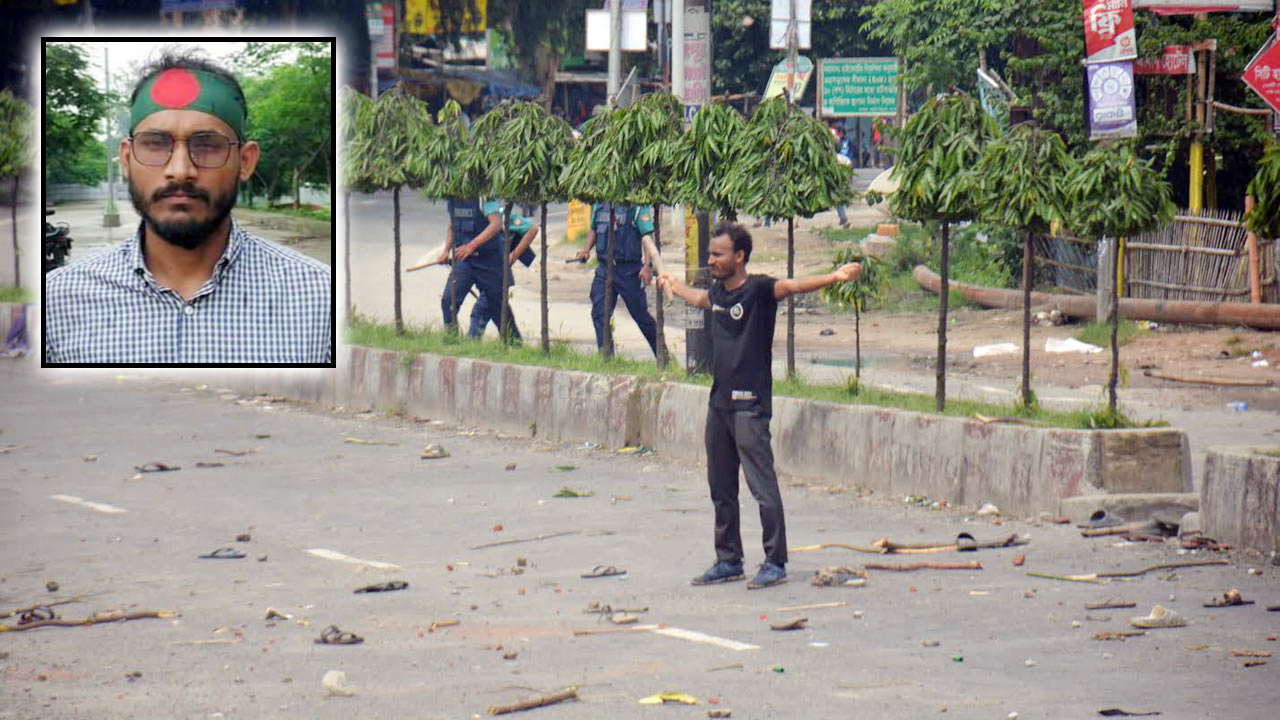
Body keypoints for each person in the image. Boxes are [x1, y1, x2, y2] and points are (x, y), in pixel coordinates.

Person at [43, 50, 332, 364]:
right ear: (126, 159)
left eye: (206, 145)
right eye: (155, 144)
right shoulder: (59, 301)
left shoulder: (319, 298)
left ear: (245, 161)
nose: (180, 170)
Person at [658, 222, 861, 589]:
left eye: (718, 254)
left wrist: (834, 276)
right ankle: (728, 560)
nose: (711, 260)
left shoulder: (761, 290)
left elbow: (793, 286)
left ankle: (775, 562)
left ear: (739, 256)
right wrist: (672, 285)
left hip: (750, 406)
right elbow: (700, 299)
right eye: (710, 254)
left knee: (762, 487)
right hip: (718, 405)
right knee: (721, 487)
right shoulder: (718, 293)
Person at [575, 203, 658, 357]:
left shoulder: (636, 206)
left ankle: (663, 357)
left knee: (640, 315)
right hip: (604, 268)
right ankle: (607, 358)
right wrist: (586, 250)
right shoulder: (599, 205)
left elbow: (647, 236)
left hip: (629, 270)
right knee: (599, 314)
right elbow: (594, 229)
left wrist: (648, 266)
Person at [467, 208, 540, 340]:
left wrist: (513, 256)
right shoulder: (472, 216)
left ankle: (471, 342)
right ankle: (515, 344)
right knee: (502, 313)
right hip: (483, 272)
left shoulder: (501, 214)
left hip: (498, 274)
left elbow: (532, 229)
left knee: (481, 311)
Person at [439, 198, 505, 339]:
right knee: (448, 300)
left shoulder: (482, 196)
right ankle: (452, 341)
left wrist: (472, 245)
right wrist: (446, 251)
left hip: (489, 260)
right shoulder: (453, 197)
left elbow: (496, 224)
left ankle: (513, 344)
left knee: (497, 307)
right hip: (465, 261)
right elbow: (453, 226)